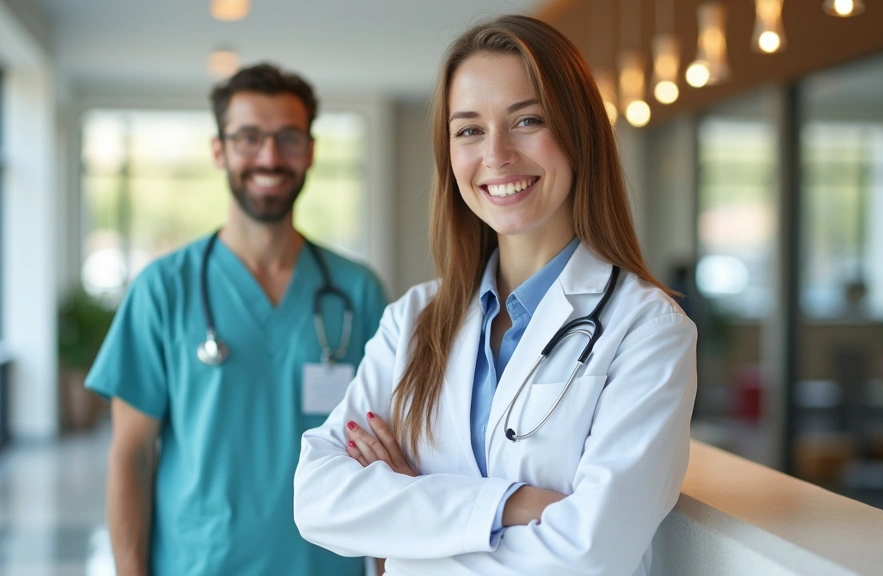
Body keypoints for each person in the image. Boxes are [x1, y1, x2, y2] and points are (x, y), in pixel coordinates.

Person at [294, 16, 697, 576]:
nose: (497, 154)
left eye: (527, 120)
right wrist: (513, 504)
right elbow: (317, 499)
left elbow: (588, 556)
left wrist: (410, 515)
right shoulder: (412, 319)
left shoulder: (648, 329)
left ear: (579, 135)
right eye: (469, 130)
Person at [87, 63, 388, 576]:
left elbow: (384, 454)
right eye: (249, 137)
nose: (269, 156)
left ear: (311, 150)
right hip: (197, 562)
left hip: (324, 565)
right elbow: (130, 455)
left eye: (288, 138)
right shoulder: (164, 289)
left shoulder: (358, 291)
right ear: (218, 150)